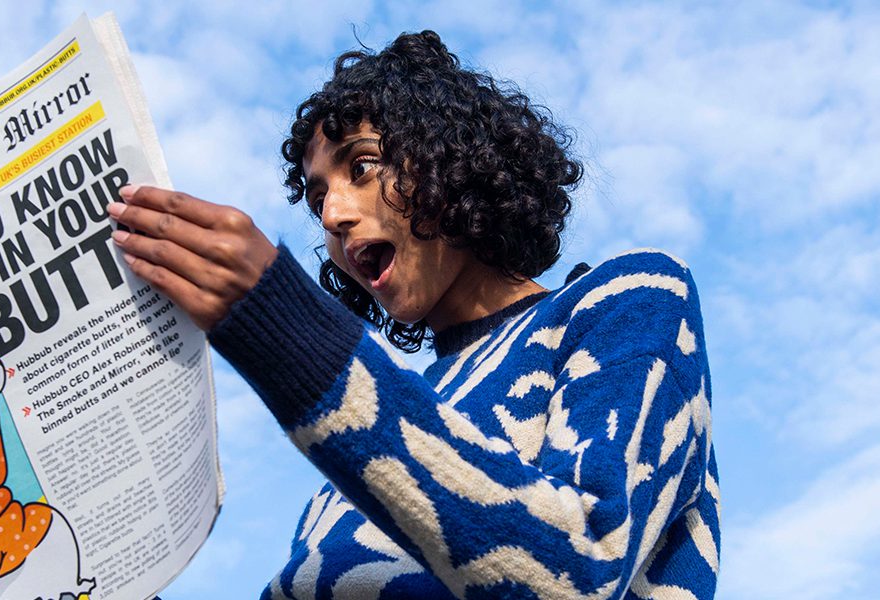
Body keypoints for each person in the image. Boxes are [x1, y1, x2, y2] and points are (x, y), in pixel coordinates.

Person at [107, 30, 719, 600]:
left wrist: (284, 331)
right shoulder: (355, 465)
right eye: (318, 197)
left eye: (362, 167)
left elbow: (585, 563)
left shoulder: (630, 298)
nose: (332, 216)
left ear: (454, 159)